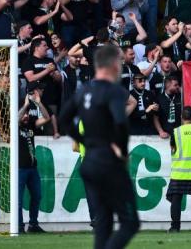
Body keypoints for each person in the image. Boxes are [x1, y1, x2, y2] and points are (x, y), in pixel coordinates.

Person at [59, 45, 140, 248]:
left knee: (103, 221)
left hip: (90, 164)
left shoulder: (84, 91)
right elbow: (120, 122)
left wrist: (86, 141)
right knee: (130, 222)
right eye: (120, 63)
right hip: (108, 162)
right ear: (114, 65)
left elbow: (63, 120)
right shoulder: (113, 91)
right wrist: (121, 150)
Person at [17, 81, 51, 233]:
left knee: (37, 196)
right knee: (18, 200)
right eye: (23, 114)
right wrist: (24, 106)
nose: (25, 116)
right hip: (19, 168)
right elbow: (16, 119)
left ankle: (33, 224)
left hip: (32, 168)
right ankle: (18, 226)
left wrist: (38, 103)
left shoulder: (30, 124)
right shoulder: (15, 126)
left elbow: (46, 118)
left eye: (26, 114)